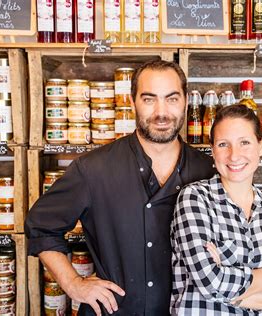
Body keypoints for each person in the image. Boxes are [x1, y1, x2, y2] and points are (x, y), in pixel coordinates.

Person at [25, 60, 215, 315]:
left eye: (171, 99)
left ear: (185, 101)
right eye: (149, 99)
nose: (162, 112)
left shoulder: (209, 171)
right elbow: (41, 227)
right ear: (132, 101)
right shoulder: (93, 168)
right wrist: (73, 283)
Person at [171, 104, 262, 315]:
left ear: (261, 146)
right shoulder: (195, 199)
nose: (234, 156)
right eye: (224, 144)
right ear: (212, 149)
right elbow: (211, 284)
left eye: (244, 142)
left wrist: (230, 292)